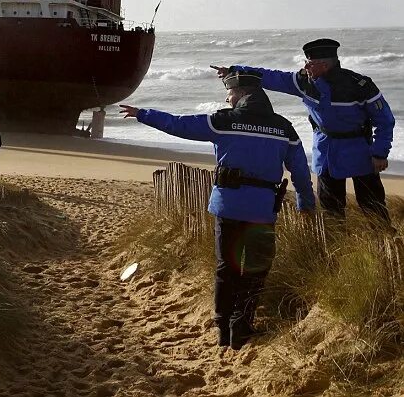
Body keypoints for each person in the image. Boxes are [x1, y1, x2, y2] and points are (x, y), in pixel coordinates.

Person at [120, 69, 316, 349]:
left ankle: (223, 328)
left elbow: (179, 125)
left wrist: (143, 113)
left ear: (242, 94)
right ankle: (242, 326)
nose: (227, 98)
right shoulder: (284, 128)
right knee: (256, 270)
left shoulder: (224, 122)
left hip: (229, 206)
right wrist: (306, 204)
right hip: (262, 210)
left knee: (227, 268)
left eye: (230, 93)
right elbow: (299, 170)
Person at [214, 38, 395, 224]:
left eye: (310, 63)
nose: (305, 66)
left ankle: (384, 243)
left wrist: (380, 153)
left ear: (324, 65)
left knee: (373, 206)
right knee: (331, 210)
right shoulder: (303, 82)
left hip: (359, 151)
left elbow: (385, 120)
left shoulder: (360, 86)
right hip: (325, 154)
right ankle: (335, 248)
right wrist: (234, 70)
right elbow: (271, 77)